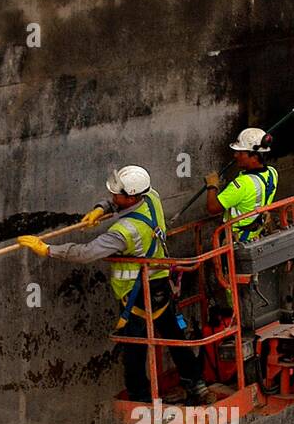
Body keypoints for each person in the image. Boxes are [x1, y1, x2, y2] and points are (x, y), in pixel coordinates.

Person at [18, 165, 208, 405]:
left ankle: (139, 397)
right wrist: (101, 209)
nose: (112, 197)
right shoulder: (152, 198)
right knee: (173, 335)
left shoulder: (123, 232)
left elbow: (86, 253)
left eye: (116, 195)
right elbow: (117, 202)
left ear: (130, 197)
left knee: (135, 348)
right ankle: (196, 384)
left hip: (137, 294)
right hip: (160, 283)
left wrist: (48, 250)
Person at [204, 127, 279, 245]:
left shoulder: (242, 185)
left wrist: (212, 186)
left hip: (236, 242)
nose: (235, 155)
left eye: (240, 152)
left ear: (254, 157)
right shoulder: (272, 172)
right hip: (255, 235)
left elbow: (212, 208)